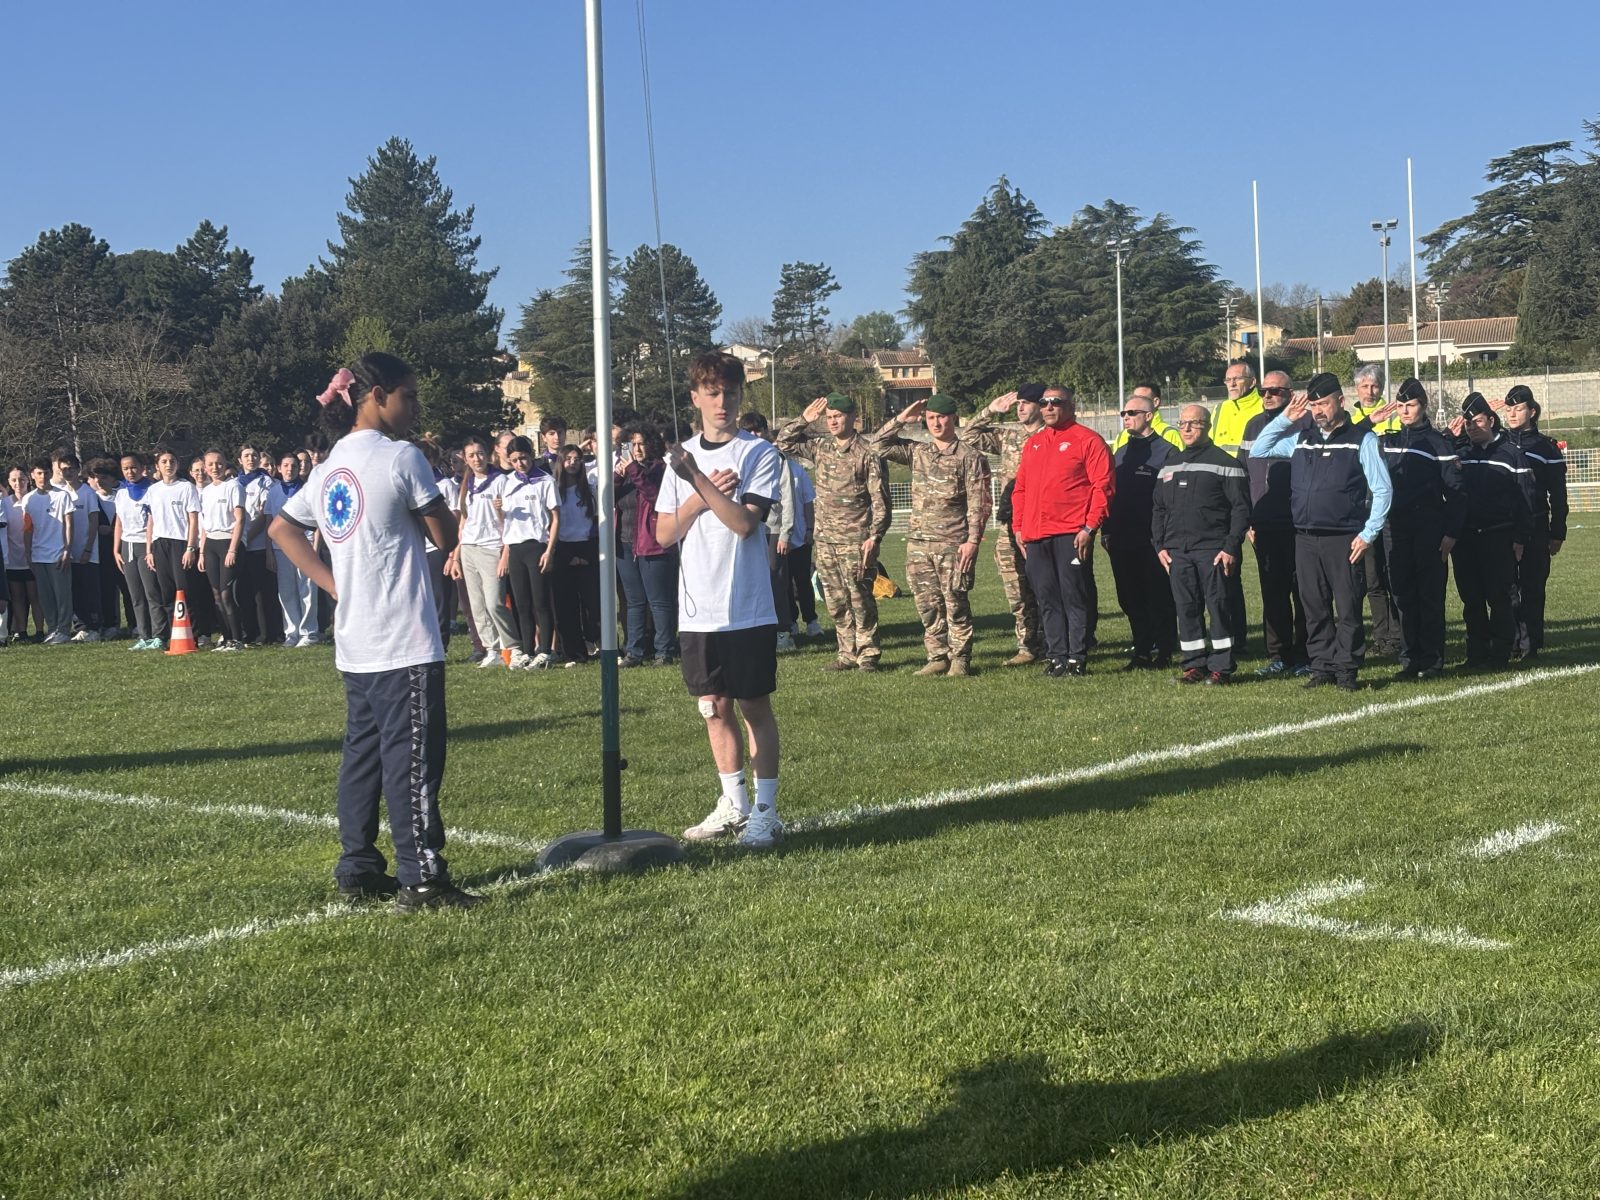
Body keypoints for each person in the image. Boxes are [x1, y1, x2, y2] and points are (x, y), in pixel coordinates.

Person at [271, 353, 481, 912]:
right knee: (412, 759)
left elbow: (282, 529)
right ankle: (422, 878)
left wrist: (332, 582)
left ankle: (359, 866)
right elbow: (446, 530)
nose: (413, 409)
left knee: (362, 755)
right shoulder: (400, 458)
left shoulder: (330, 466)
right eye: (408, 397)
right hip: (402, 637)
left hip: (356, 638)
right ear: (377, 395)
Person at [655, 351, 786, 849]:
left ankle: (766, 811)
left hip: (746, 606)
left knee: (754, 704)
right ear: (696, 398)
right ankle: (733, 802)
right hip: (698, 607)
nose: (722, 402)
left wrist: (699, 480)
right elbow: (665, 533)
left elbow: (744, 523)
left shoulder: (758, 454)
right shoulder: (681, 458)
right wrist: (693, 486)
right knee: (712, 707)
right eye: (712, 392)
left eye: (730, 392)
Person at [1249, 373, 1393, 691]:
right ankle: (1321, 666)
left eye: (1324, 403)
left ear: (1340, 401)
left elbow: (1382, 489)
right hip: (1305, 537)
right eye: (1313, 405)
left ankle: (1346, 670)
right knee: (1314, 606)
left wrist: (1368, 533)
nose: (1318, 411)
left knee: (1347, 607)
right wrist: (1285, 418)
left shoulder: (1361, 439)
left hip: (1344, 538)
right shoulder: (1302, 438)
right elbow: (1259, 450)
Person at [869, 395, 991, 677]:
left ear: (954, 418)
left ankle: (960, 658)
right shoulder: (919, 452)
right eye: (931, 417)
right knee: (927, 604)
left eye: (942, 417)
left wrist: (972, 541)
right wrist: (901, 419)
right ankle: (937, 656)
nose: (936, 423)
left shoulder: (969, 457)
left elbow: (978, 503)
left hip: (953, 542)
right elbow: (878, 444)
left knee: (955, 602)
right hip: (919, 543)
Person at [774, 392, 891, 673]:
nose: (833, 421)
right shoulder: (821, 448)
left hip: (856, 539)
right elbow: (782, 443)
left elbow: (881, 500)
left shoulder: (867, 453)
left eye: (838, 416)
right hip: (826, 540)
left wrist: (874, 537)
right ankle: (847, 653)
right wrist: (804, 419)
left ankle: (868, 655)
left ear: (853, 418)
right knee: (836, 601)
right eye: (829, 417)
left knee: (860, 598)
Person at [1010, 386, 1112, 677]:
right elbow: (1021, 489)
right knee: (1047, 597)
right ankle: (1056, 656)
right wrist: (1019, 527)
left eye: (1056, 402)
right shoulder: (1035, 443)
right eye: (1044, 403)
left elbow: (1102, 487)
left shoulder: (1088, 440)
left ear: (1071, 406)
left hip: (1071, 533)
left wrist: (1090, 527)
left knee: (1073, 596)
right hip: (1036, 534)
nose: (1049, 407)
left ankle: (1077, 657)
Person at [1373, 379, 1464, 681]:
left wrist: (1451, 532)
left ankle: (1432, 659)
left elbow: (1455, 492)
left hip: (1429, 527)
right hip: (1395, 528)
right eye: (1400, 406)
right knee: (1402, 595)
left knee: (1429, 596)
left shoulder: (1439, 443)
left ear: (1423, 406)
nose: (1404, 411)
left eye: (1410, 405)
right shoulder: (1388, 440)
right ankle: (1410, 658)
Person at [1152, 404, 1251, 684]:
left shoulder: (1226, 463)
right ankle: (1193, 665)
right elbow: (1158, 508)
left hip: (1213, 550)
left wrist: (1231, 546)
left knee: (1218, 607)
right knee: (1186, 608)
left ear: (1206, 426)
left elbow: (1241, 509)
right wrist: (1159, 546)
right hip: (1177, 551)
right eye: (1182, 423)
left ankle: (1221, 666)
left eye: (1193, 424)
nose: (1186, 429)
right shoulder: (1169, 464)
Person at [1449, 394, 1533, 669]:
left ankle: (1501, 653)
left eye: (1477, 422)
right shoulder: (1461, 453)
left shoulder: (1511, 454)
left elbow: (1526, 499)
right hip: (1466, 539)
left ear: (1491, 421)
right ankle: (1476, 653)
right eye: (1468, 423)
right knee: (1471, 599)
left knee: (1499, 598)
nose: (1471, 427)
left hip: (1498, 536)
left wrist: (1521, 537)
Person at [964, 384, 1046, 664]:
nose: (1020, 407)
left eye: (1026, 403)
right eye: (1018, 403)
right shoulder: (1009, 438)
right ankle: (1027, 646)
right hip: (1010, 522)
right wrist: (990, 410)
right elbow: (969, 436)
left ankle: (1055, 642)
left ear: (1040, 405)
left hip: (1043, 521)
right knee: (1016, 588)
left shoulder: (1051, 435)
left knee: (1047, 586)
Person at [1240, 370, 1309, 677]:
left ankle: (1306, 652)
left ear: (1290, 393)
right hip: (1263, 523)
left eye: (1275, 391)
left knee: (1304, 590)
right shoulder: (1253, 425)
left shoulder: (1305, 424)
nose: (1268, 396)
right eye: (1264, 391)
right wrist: (1248, 521)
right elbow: (1243, 475)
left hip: (1297, 521)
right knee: (1273, 591)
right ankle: (1279, 653)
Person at [1103, 388, 1177, 669]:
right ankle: (1142, 649)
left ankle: (1165, 649)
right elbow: (1110, 493)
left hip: (1153, 538)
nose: (1126, 417)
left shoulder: (1167, 451)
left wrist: (1166, 536)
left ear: (1149, 415)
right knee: (1129, 597)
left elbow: (1171, 499)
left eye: (1132, 412)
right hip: (1122, 536)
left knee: (1158, 595)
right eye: (1123, 413)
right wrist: (1107, 529)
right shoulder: (1120, 452)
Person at [1500, 385, 1567, 661]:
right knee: (1507, 587)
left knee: (1532, 585)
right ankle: (1512, 638)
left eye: (1518, 408)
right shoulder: (1500, 443)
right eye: (1509, 409)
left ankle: (1532, 643)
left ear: (1532, 411)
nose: (1513, 414)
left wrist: (1557, 531)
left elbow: (1558, 494)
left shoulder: (1545, 448)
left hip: (1537, 525)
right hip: (1505, 526)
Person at [1348, 364, 1402, 657]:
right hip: (1359, 509)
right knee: (1370, 579)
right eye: (1365, 386)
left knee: (1390, 574)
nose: (1371, 391)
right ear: (1356, 389)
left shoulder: (1394, 413)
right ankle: (1377, 637)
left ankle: (1394, 637)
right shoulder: (1351, 419)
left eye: (1375, 386)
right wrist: (1368, 422)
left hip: (1387, 505)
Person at [614, 422, 679, 667]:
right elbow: (606, 501)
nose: (637, 449)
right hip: (625, 543)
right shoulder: (625, 471)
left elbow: (655, 497)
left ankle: (664, 651)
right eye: (632, 444)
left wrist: (633, 469)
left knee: (659, 600)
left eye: (641, 443)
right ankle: (635, 651)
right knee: (634, 601)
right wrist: (618, 477)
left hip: (653, 543)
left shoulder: (660, 469)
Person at [449, 434, 516, 669]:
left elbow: (509, 521)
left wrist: (505, 553)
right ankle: (492, 649)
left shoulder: (500, 481)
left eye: (480, 453)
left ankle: (513, 647)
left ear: (488, 455)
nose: (477, 459)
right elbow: (463, 522)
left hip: (492, 547)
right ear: (465, 459)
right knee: (477, 605)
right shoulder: (466, 484)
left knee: (494, 603)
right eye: (471, 455)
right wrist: (455, 555)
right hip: (469, 548)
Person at [495, 434, 560, 670]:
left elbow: (555, 517)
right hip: (515, 547)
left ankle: (545, 650)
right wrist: (500, 511)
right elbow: (503, 522)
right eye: (514, 460)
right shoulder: (506, 482)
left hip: (537, 545)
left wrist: (549, 551)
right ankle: (525, 649)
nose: (519, 464)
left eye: (523, 458)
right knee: (521, 602)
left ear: (530, 456)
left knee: (540, 600)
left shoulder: (545, 481)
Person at [141, 449, 202, 647]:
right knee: (166, 592)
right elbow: (151, 521)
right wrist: (149, 550)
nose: (168, 465)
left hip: (180, 542)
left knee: (184, 588)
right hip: (160, 544)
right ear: (157, 466)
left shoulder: (186, 487)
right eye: (164, 462)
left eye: (172, 461)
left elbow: (193, 520)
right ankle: (174, 634)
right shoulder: (153, 490)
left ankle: (194, 633)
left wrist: (191, 548)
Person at [552, 444, 601, 664]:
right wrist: (567, 555)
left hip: (588, 547)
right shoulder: (553, 489)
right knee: (566, 604)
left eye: (577, 459)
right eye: (568, 459)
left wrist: (587, 554)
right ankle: (573, 651)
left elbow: (597, 520)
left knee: (593, 603)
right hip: (563, 549)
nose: (573, 463)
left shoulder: (589, 489)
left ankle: (599, 643)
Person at [265, 451, 318, 647]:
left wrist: (315, 548)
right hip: (281, 548)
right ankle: (292, 633)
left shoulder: (308, 490)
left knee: (307, 590)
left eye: (293, 466)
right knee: (286, 592)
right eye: (286, 466)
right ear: (279, 468)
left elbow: (317, 523)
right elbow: (269, 523)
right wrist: (269, 551)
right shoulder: (274, 492)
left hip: (305, 546)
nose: (290, 469)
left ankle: (309, 632)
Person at [197, 448, 248, 652]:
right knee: (216, 594)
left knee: (227, 593)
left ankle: (237, 639)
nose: (215, 468)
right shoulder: (206, 491)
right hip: (210, 543)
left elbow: (240, 519)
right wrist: (201, 551)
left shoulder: (234, 486)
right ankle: (225, 639)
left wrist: (233, 550)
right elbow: (204, 525)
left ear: (225, 463)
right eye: (210, 464)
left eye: (218, 463)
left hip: (229, 542)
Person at [112, 452, 164, 649]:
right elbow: (119, 523)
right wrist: (116, 550)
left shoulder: (152, 490)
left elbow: (153, 521)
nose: (130, 472)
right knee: (135, 595)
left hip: (146, 545)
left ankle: (159, 634)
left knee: (151, 591)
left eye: (133, 467)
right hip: (128, 546)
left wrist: (150, 549)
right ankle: (144, 635)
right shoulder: (121, 493)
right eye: (125, 468)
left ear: (142, 467)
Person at [236, 441, 283, 645]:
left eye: (254, 455)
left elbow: (264, 515)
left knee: (263, 594)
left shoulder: (266, 482)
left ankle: (268, 634)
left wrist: (246, 537)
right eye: (246, 455)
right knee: (244, 592)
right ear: (240, 460)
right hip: (239, 544)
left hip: (258, 545)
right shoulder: (234, 482)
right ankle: (250, 632)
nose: (251, 459)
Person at [23, 458, 75, 644]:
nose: (43, 476)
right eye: (39, 473)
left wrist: (67, 550)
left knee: (62, 595)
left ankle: (64, 630)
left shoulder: (62, 496)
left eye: (45, 472)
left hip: (58, 553)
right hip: (38, 555)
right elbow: (28, 529)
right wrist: (28, 552)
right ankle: (52, 628)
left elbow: (69, 524)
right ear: (32, 475)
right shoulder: (28, 499)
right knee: (45, 596)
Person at [54, 451, 102, 642]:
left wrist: (88, 549)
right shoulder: (59, 493)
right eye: (64, 470)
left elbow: (94, 522)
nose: (67, 473)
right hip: (68, 553)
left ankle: (94, 628)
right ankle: (80, 626)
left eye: (71, 469)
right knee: (74, 591)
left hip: (87, 553)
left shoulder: (88, 493)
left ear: (78, 469)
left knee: (89, 590)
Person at [6, 466, 43, 641]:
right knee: (17, 597)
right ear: (8, 482)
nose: (18, 483)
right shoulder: (5, 504)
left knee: (35, 596)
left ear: (28, 480)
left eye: (21, 479)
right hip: (13, 560)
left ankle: (40, 630)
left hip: (33, 557)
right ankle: (21, 632)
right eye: (14, 480)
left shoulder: (33, 500)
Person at [1212, 359, 1263, 455]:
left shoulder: (1264, 406)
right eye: (1228, 380)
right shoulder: (1219, 409)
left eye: (1238, 378)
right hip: (1221, 469)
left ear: (1252, 382)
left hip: (1252, 469)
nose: (1232, 384)